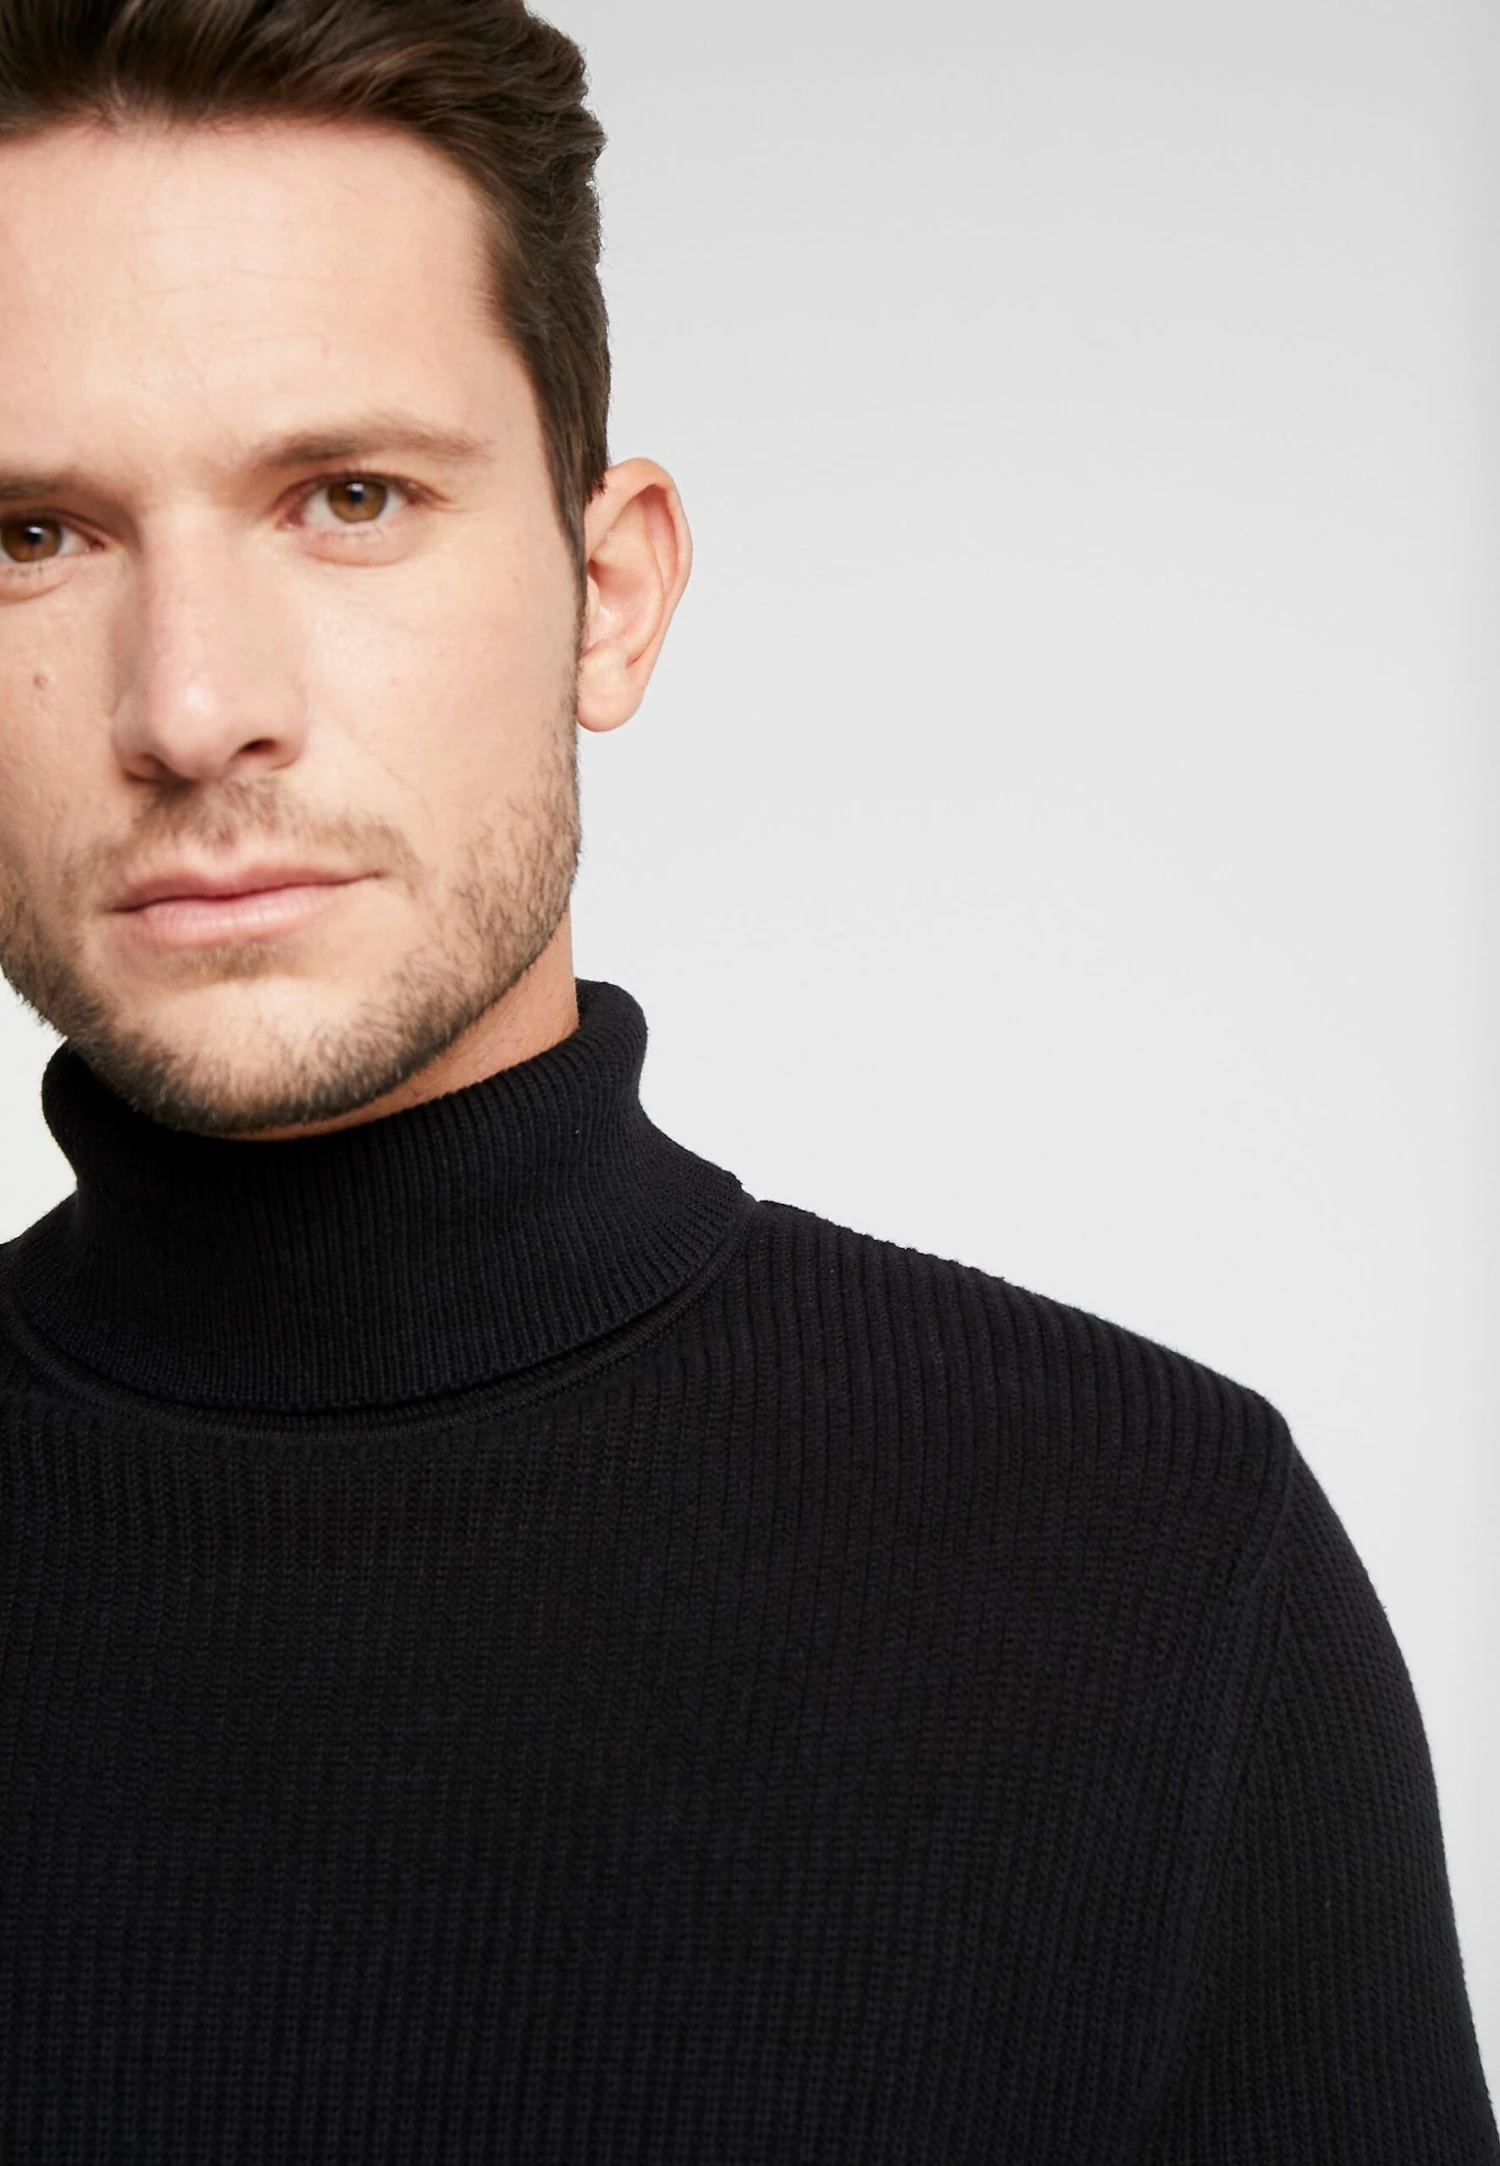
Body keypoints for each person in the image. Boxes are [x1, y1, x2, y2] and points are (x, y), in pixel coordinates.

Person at [0, 2, 1493, 2159]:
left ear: (610, 595)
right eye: (33, 536)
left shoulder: (1153, 1572)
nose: (191, 704)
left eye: (349, 497)